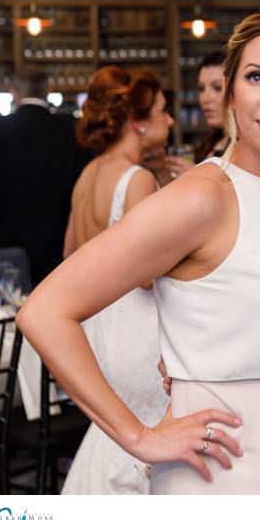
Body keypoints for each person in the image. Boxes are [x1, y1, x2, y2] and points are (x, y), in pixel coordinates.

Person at [17, 10, 260, 494]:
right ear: (231, 94)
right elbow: (45, 311)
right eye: (256, 76)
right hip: (227, 471)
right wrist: (138, 436)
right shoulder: (201, 198)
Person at [61, 66, 174, 494]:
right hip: (135, 334)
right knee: (147, 431)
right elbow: (148, 274)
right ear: (137, 122)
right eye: (161, 110)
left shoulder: (88, 175)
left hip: (99, 331)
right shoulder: (136, 179)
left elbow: (70, 255)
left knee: (115, 430)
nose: (169, 120)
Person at [0, 69, 93, 284]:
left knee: (4, 303)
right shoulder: (71, 128)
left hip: (6, 239)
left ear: (13, 93)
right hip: (57, 241)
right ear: (49, 90)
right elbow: (84, 181)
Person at [163, 50, 228, 180]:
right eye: (201, 89)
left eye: (217, 88)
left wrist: (194, 175)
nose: (205, 98)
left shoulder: (246, 148)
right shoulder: (210, 143)